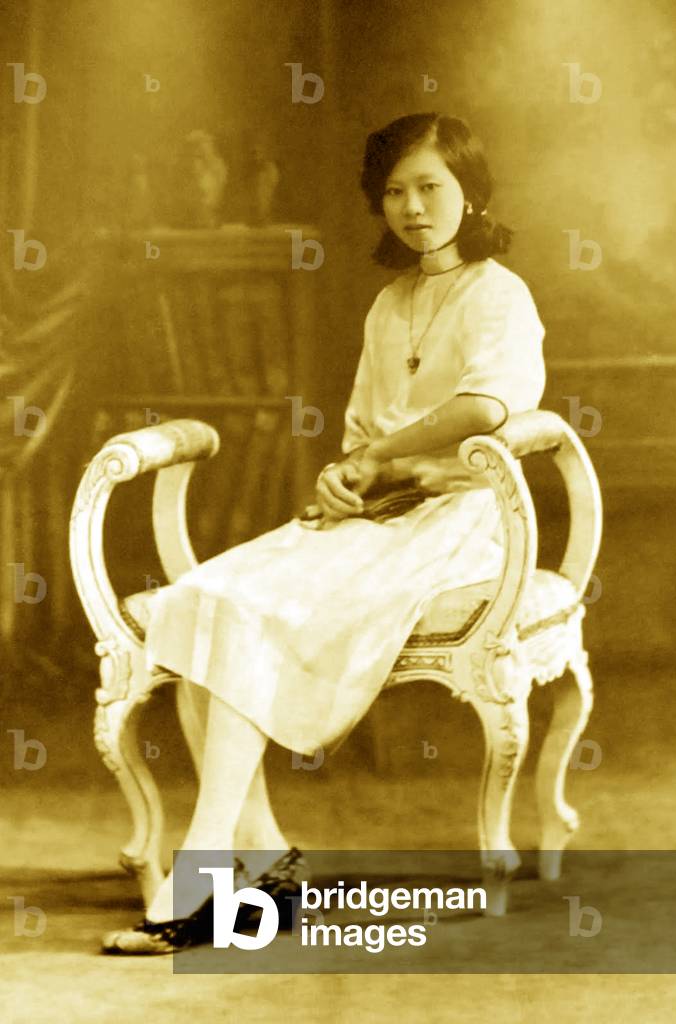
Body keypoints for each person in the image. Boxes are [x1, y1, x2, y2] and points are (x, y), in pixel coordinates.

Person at [102, 112, 545, 954]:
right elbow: (360, 437)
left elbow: (488, 407)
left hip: (457, 521)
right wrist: (347, 477)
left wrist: (384, 457)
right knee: (201, 602)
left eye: (431, 187)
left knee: (240, 613)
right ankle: (268, 866)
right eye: (394, 191)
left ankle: (197, 882)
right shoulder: (390, 303)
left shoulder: (499, 293)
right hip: (377, 518)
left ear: (470, 192)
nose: (413, 207)